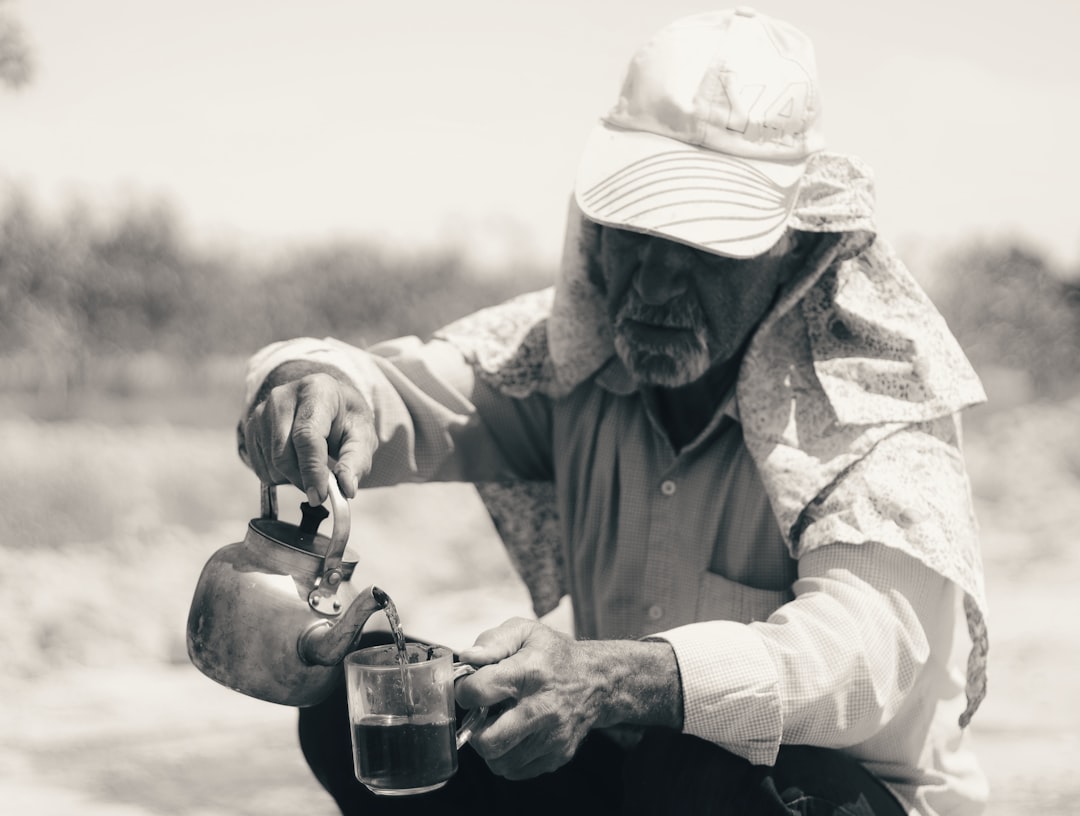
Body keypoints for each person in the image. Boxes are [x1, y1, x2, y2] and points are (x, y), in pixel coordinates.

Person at [237, 9, 989, 815]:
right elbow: (401, 395)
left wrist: (615, 679)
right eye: (635, 236)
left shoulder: (868, 399)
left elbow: (855, 660)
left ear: (791, 249)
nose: (656, 287)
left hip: (829, 798)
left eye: (704, 249)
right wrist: (310, 382)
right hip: (640, 784)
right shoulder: (582, 357)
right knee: (361, 712)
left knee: (697, 769)